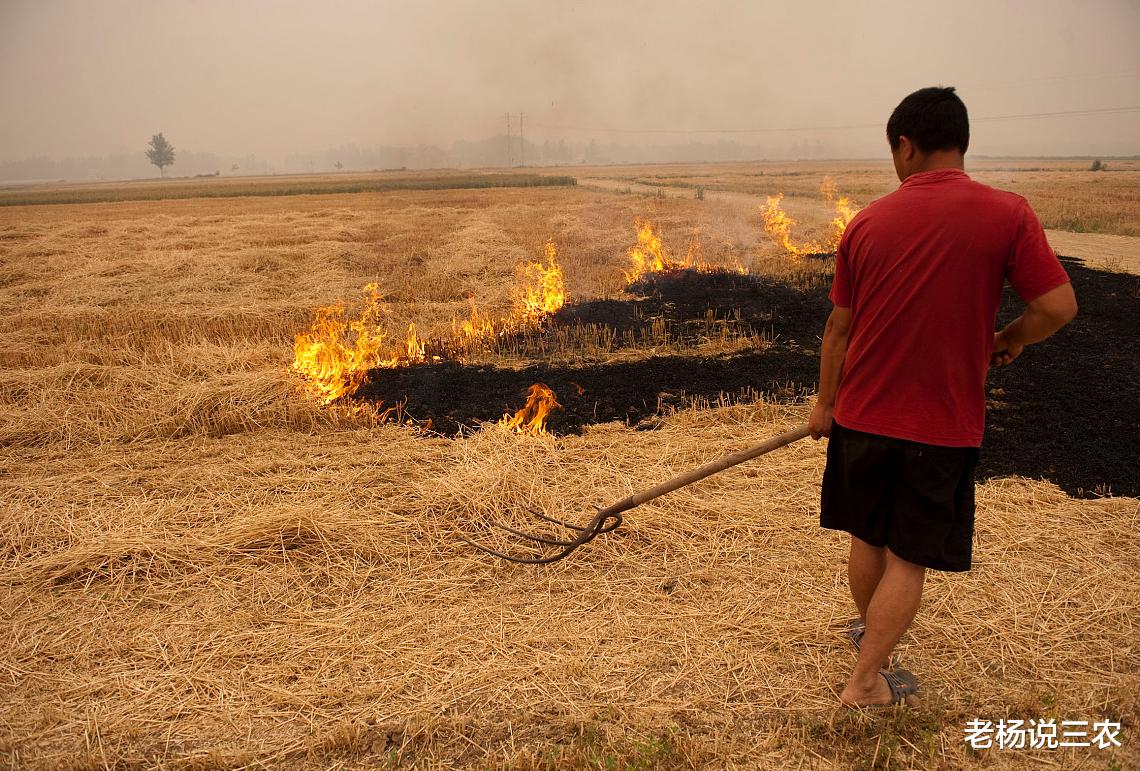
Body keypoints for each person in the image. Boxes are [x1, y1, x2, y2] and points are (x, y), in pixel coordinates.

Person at [807, 86, 1077, 708]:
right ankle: (866, 683)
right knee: (910, 555)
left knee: (867, 538)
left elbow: (838, 330)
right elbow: (1059, 306)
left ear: (906, 145)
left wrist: (826, 403)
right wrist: (1010, 338)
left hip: (863, 416)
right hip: (942, 423)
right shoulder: (1008, 214)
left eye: (894, 152)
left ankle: (870, 642)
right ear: (960, 142)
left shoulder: (867, 222)